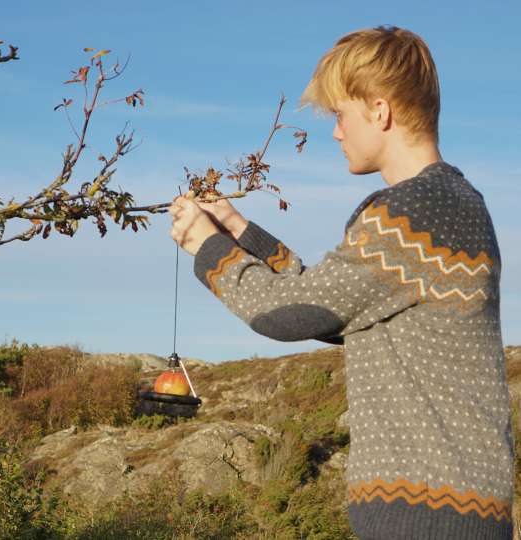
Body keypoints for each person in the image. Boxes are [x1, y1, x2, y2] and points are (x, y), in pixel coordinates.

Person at [168, 25, 514, 540]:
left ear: (380, 111)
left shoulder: (412, 213)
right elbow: (338, 308)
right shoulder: (456, 204)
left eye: (340, 115)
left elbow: (290, 314)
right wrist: (242, 233)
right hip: (456, 509)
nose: (335, 132)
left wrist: (208, 247)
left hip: (425, 515)